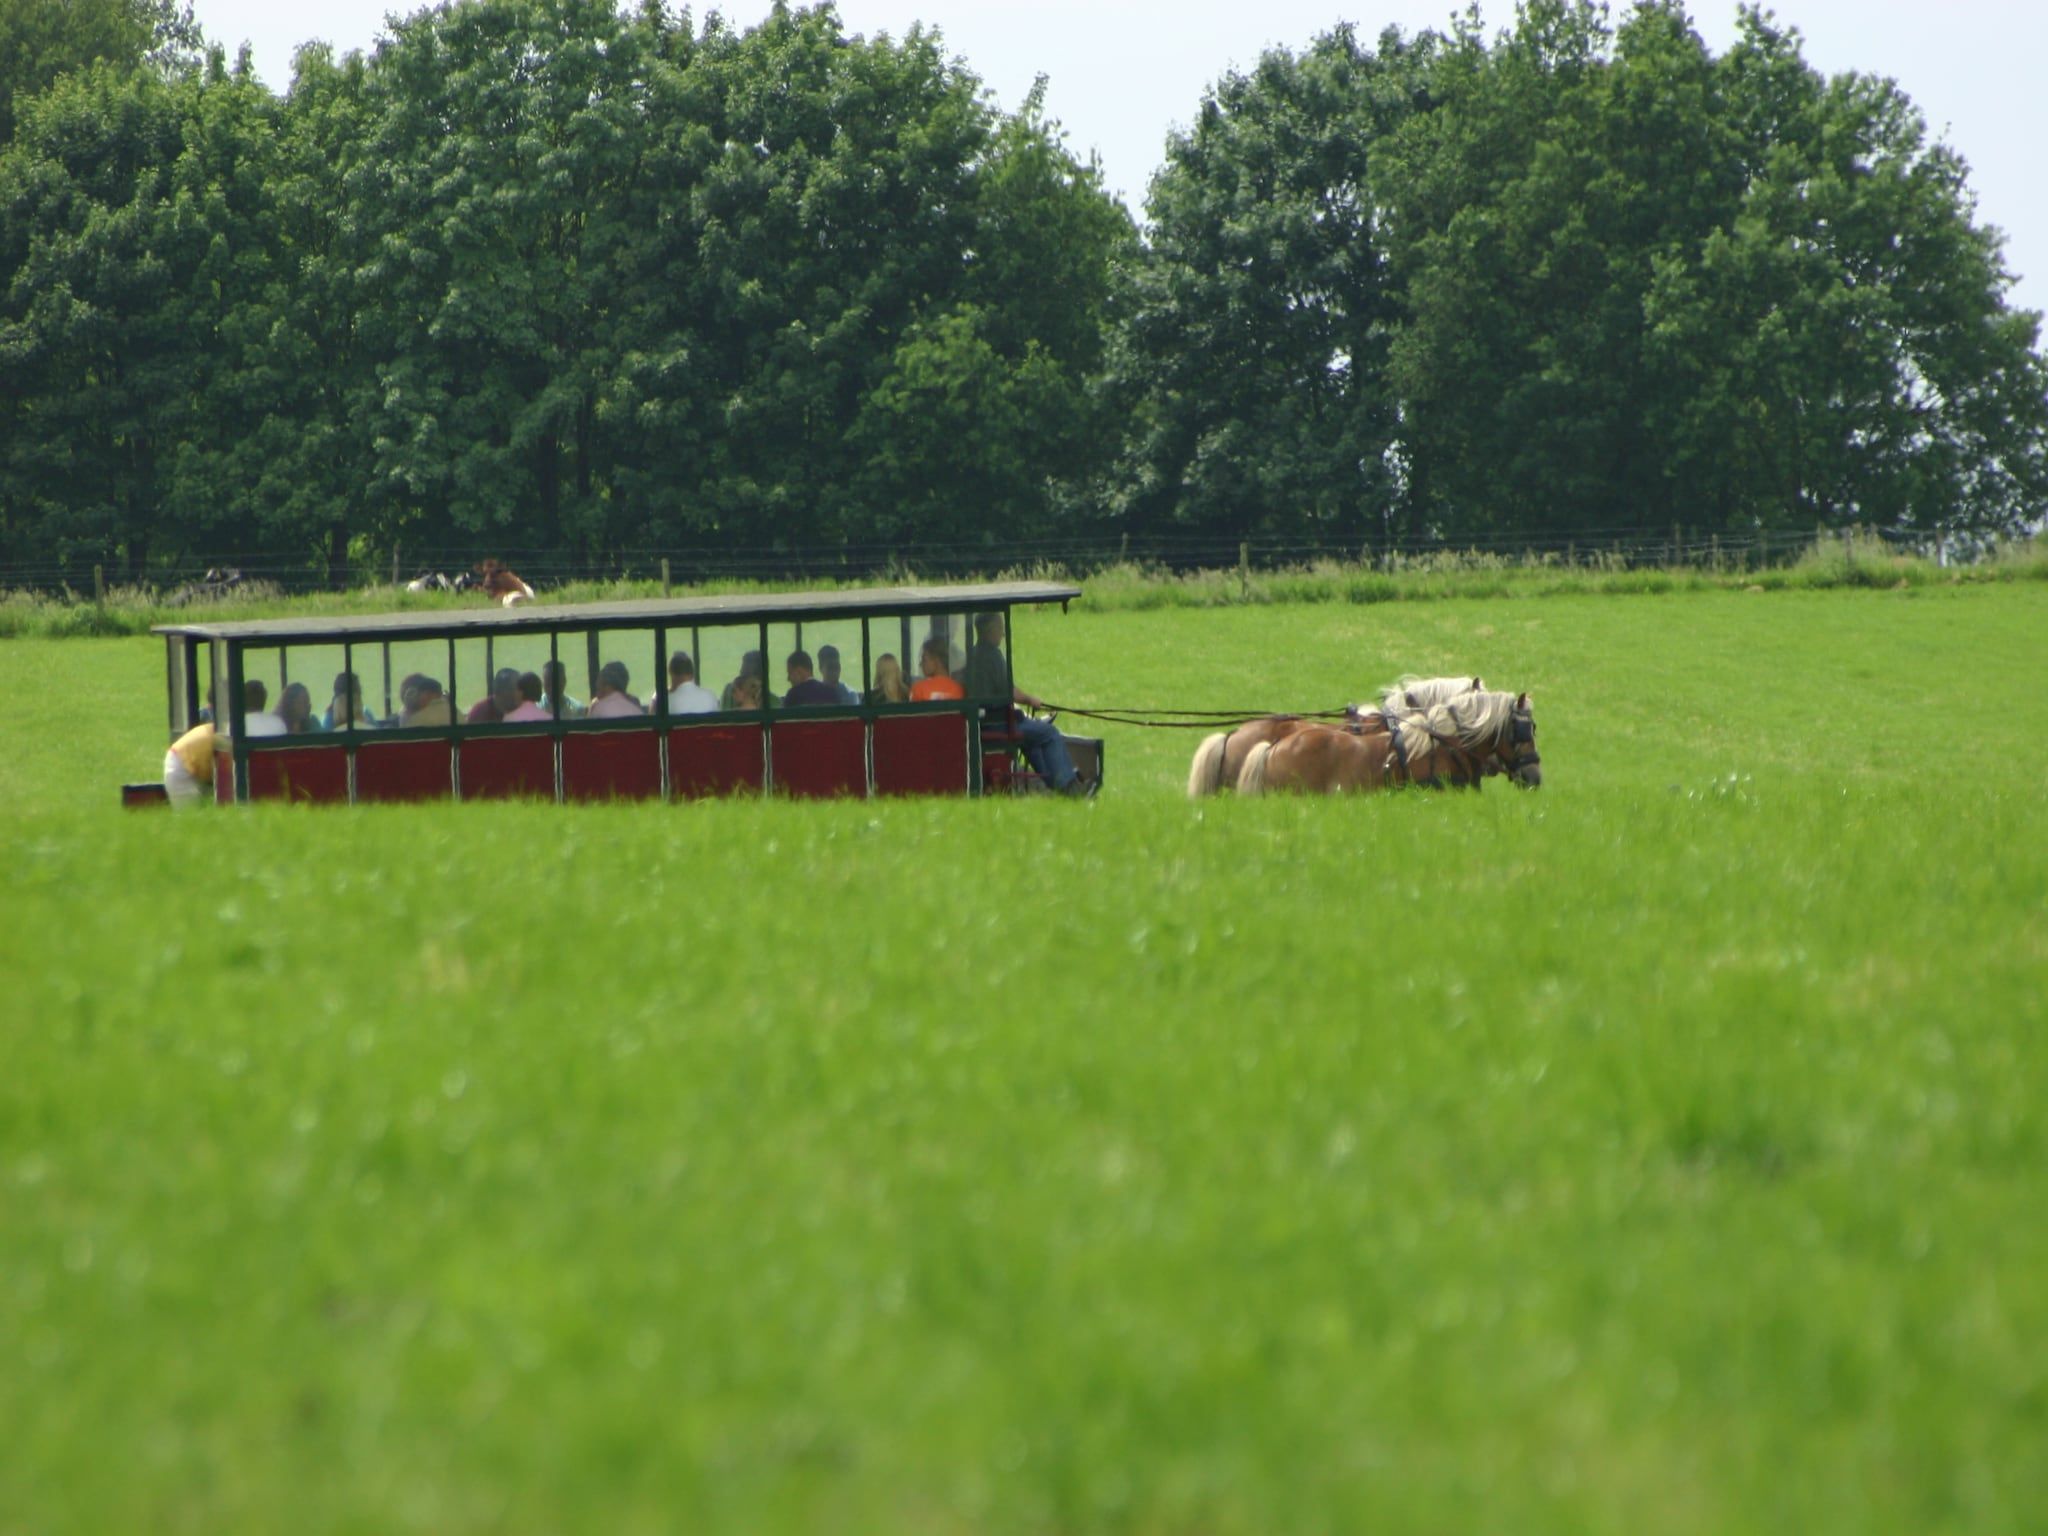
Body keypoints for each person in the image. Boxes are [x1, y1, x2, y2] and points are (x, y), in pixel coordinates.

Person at [963, 610, 1084, 794]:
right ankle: (1068, 785)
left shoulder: (973, 654)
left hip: (983, 722)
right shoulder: (992, 655)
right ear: (989, 631)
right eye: (1000, 629)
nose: (1003, 634)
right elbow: (1009, 690)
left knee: (1033, 741)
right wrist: (1031, 699)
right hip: (998, 725)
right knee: (1050, 733)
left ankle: (1055, 785)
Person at [162, 720, 223, 805]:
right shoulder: (223, 735)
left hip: (188, 762)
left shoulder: (219, 731)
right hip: (181, 767)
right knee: (188, 813)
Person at [909, 636, 964, 701]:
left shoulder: (919, 689)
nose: (920, 664)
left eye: (924, 659)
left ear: (937, 660)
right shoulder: (959, 689)